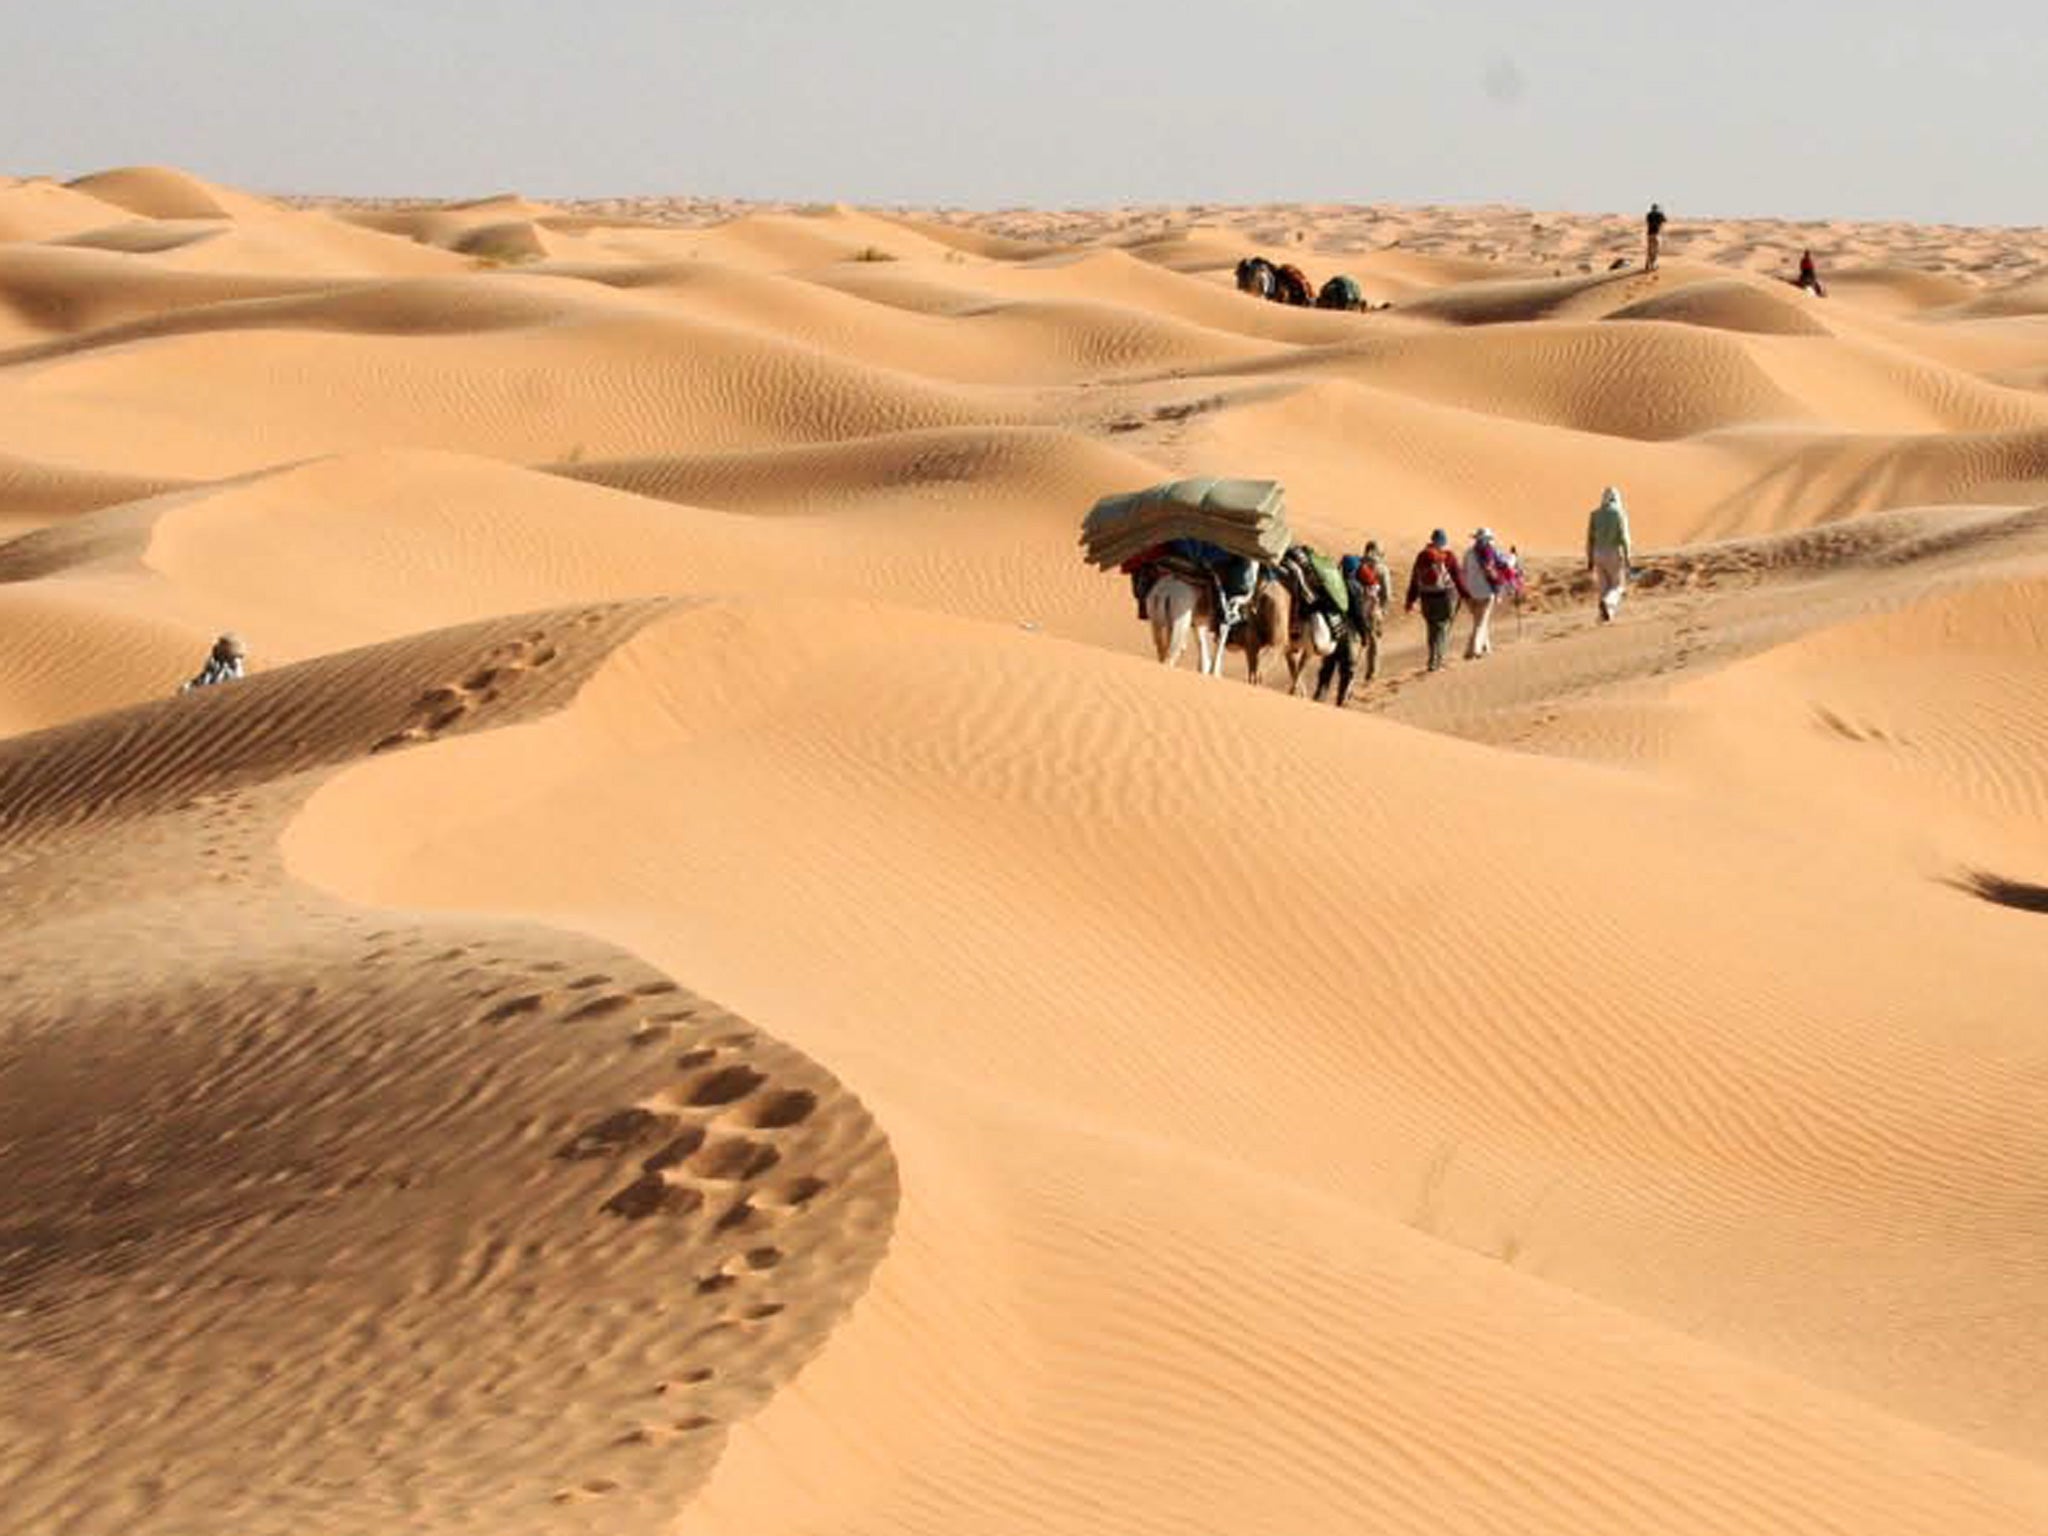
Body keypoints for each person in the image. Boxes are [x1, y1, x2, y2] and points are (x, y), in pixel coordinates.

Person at [1404, 530, 1470, 672]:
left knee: (1432, 629)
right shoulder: (1448, 556)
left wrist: (1410, 600)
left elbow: (1414, 580)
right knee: (1442, 629)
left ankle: (1432, 658)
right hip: (1444, 598)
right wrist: (1466, 595)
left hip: (1426, 598)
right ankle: (1437, 661)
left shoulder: (1422, 556)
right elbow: (1458, 578)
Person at [1459, 528, 1515, 659]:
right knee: (1480, 623)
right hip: (1486, 592)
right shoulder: (1492, 552)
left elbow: (1464, 571)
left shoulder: (1468, 552)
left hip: (1471, 593)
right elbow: (1506, 564)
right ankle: (1474, 650)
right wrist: (1513, 557)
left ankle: (1485, 647)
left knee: (1480, 621)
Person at [1345, 540, 1394, 683]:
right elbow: (1387, 593)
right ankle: (1371, 673)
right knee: (1374, 642)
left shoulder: (1358, 565)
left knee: (1354, 639)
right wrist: (1383, 611)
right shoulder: (1382, 568)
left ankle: (1350, 671)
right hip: (1373, 609)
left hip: (1356, 608)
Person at [1585, 487, 1633, 622]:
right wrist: (1628, 556)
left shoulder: (1595, 514)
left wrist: (1589, 558)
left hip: (1597, 553)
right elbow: (1624, 537)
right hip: (1613, 552)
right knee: (1618, 586)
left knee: (1603, 587)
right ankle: (1607, 604)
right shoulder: (1619, 513)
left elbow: (1590, 538)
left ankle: (1606, 616)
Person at [179, 632, 247, 693]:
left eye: (220, 648)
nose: (217, 651)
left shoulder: (232, 667)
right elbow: (202, 679)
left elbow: (227, 685)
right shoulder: (216, 664)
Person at [1644, 203, 1667, 271]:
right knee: (1656, 250)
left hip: (1649, 234)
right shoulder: (1659, 214)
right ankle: (1654, 265)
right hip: (1656, 233)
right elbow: (1665, 220)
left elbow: (1648, 221)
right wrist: (1662, 213)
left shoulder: (1649, 214)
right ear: (1657, 208)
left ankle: (1648, 263)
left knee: (1649, 249)